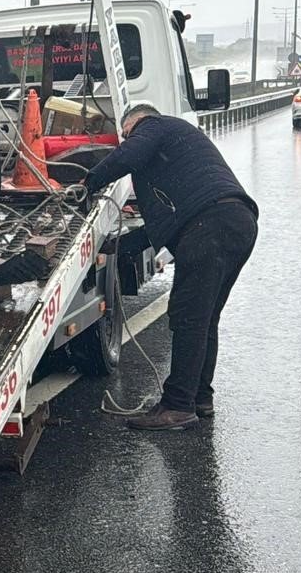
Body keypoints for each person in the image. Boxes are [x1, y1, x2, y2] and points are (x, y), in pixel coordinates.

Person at [81, 104, 260, 431]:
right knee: (204, 318)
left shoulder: (154, 126)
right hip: (237, 222)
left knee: (188, 318)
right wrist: (122, 248)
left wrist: (88, 183)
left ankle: (177, 407)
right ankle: (198, 398)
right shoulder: (176, 151)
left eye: (126, 134)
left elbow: (128, 155)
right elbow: (163, 225)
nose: (125, 140)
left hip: (210, 227)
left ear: (135, 123)